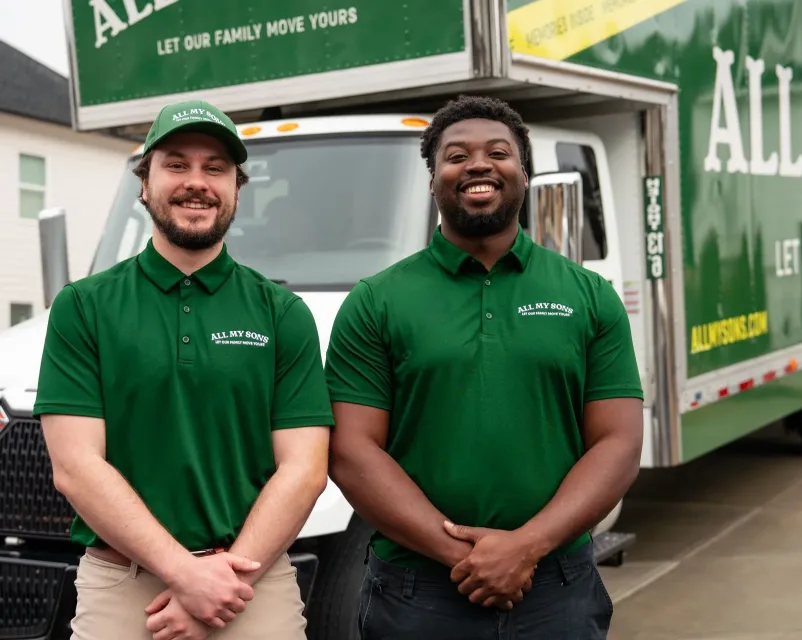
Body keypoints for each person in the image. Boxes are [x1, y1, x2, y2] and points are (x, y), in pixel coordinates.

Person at [323, 94, 645, 639]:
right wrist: (469, 558)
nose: (477, 164)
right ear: (433, 180)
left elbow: (618, 444)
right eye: (455, 155)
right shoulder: (376, 300)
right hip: (417, 590)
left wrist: (527, 546)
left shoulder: (590, 296)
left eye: (498, 152)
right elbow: (353, 452)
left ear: (525, 174)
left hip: (557, 588)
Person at [34, 99, 334, 640]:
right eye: (176, 164)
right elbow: (76, 466)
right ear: (143, 183)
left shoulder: (282, 314)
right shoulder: (84, 306)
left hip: (252, 581)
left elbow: (305, 470)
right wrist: (186, 575)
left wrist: (220, 583)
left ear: (237, 189)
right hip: (121, 582)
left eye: (215, 168)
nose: (197, 181)